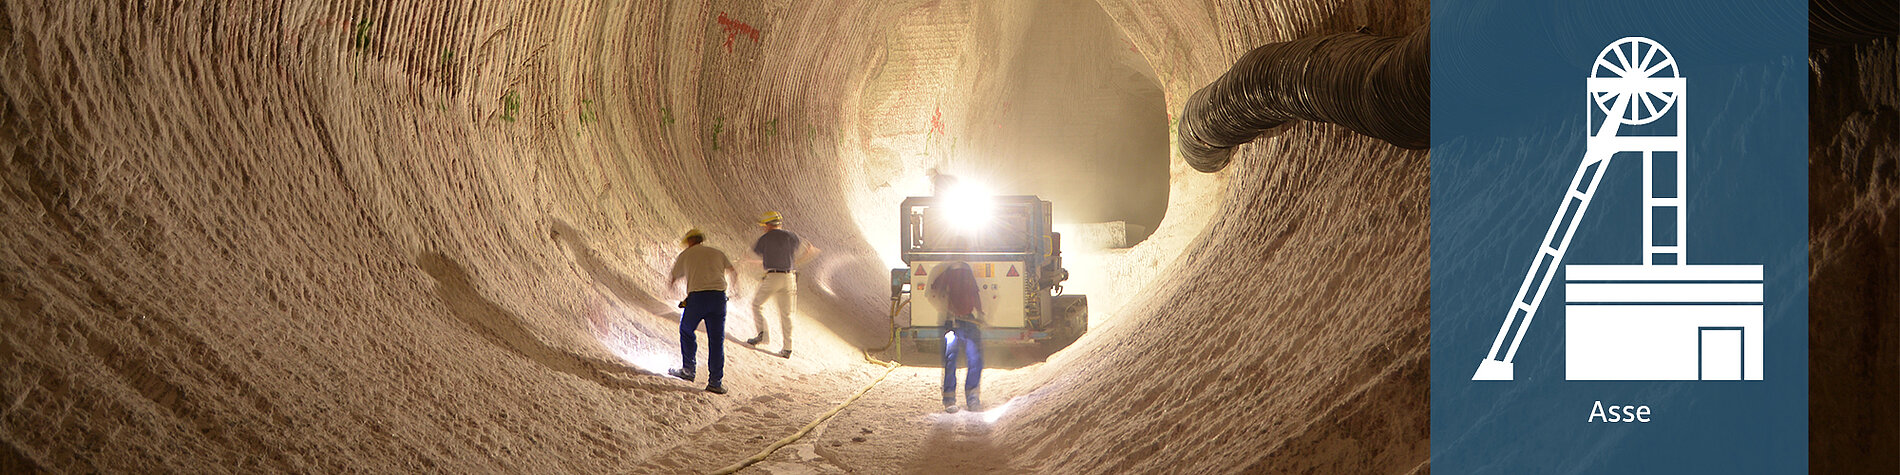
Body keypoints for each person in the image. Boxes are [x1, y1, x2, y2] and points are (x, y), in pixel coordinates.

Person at [668, 228, 738, 394]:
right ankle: (715, 382)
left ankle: (688, 370)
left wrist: (674, 292)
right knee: (716, 340)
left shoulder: (685, 255)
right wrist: (733, 290)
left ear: (689, 242)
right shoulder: (717, 252)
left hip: (698, 299)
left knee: (686, 329)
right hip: (719, 299)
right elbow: (733, 271)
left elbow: (673, 278)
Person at [744, 211, 817, 358]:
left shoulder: (764, 239)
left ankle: (762, 335)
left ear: (769, 225)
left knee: (757, 304)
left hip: (773, 277)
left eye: (764, 225)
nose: (763, 228)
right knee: (787, 314)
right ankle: (787, 349)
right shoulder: (791, 236)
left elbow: (760, 256)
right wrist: (799, 259)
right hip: (790, 278)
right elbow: (809, 251)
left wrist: (749, 261)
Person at [931, 260, 985, 412]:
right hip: (955, 324)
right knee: (962, 359)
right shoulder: (957, 271)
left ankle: (959, 399)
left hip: (962, 322)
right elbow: (974, 294)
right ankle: (961, 399)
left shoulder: (960, 270)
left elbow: (974, 293)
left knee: (963, 359)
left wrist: (980, 313)